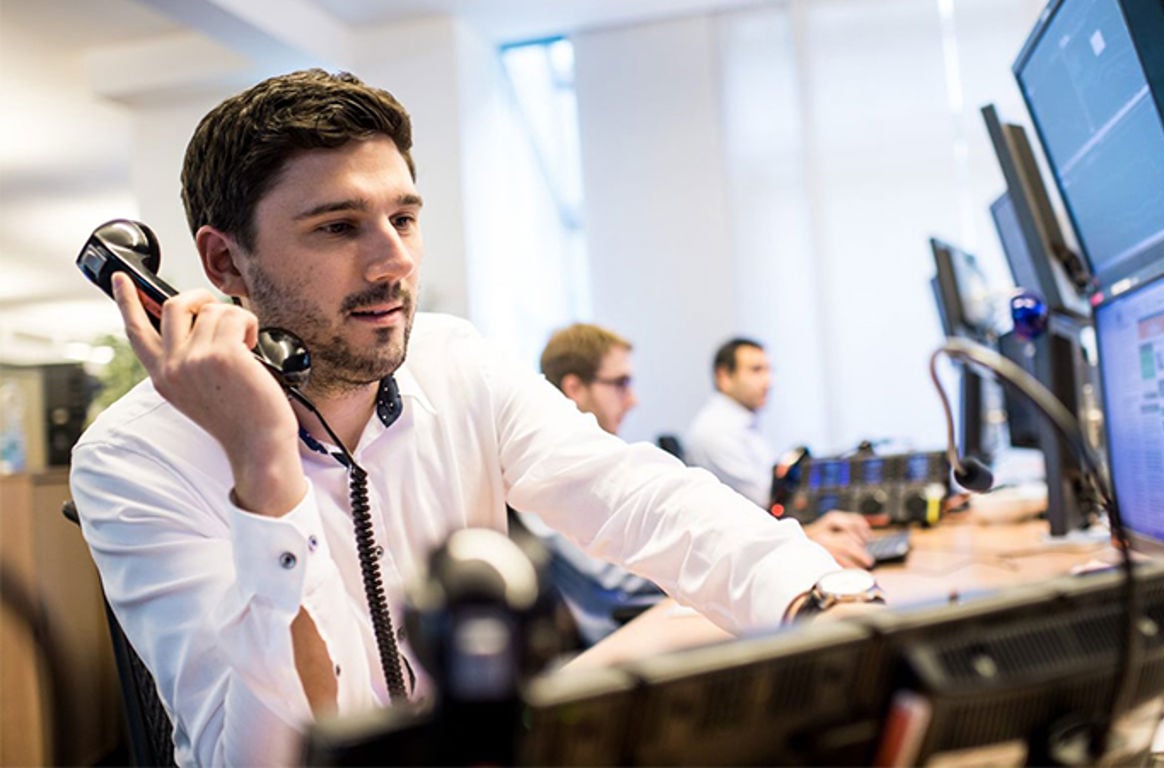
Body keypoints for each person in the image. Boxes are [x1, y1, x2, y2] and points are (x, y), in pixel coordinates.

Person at [68, 70, 856, 765]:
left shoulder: (453, 360)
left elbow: (640, 499)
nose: (395, 261)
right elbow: (263, 759)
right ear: (224, 261)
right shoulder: (133, 459)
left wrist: (820, 600)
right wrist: (264, 469)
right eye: (338, 227)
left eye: (404, 219)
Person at [515, 323, 665, 645]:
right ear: (574, 388)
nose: (633, 400)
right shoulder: (543, 472)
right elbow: (615, 578)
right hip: (616, 641)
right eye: (620, 383)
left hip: (643, 625)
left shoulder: (601, 463)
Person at [685, 338, 874, 568]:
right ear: (724, 376)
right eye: (756, 370)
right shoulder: (716, 433)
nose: (768, 381)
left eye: (769, 370)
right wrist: (812, 534)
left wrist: (816, 528)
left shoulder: (741, 427)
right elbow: (764, 514)